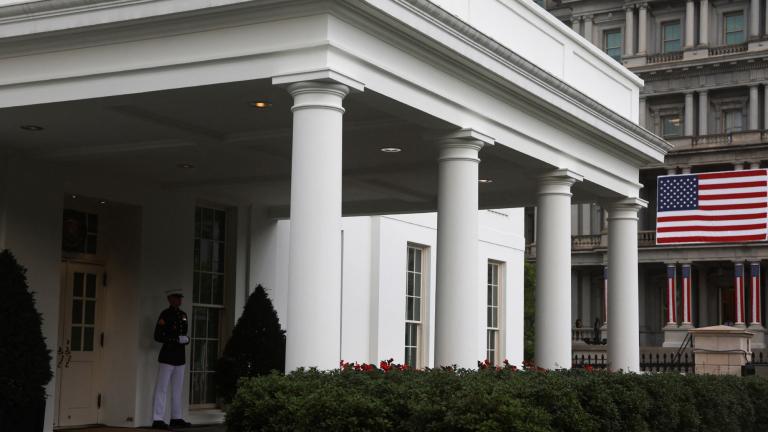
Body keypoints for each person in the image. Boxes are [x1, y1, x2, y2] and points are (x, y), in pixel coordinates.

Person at [151, 290, 192, 430]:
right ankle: (157, 419)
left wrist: (186, 340)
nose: (179, 300)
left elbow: (183, 333)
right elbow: (157, 336)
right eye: (176, 297)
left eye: (180, 297)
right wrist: (175, 339)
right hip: (168, 355)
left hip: (180, 356)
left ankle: (176, 417)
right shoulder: (165, 315)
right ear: (169, 299)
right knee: (162, 388)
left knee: (178, 389)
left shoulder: (183, 315)